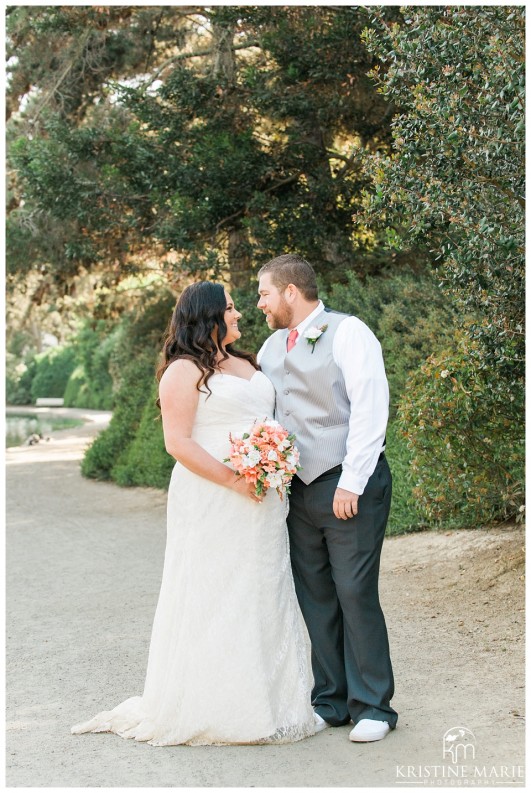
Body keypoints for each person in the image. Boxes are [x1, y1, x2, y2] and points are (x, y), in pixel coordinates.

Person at [71, 281, 315, 746]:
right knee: (214, 589)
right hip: (213, 495)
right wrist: (235, 480)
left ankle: (272, 701)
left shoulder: (247, 362)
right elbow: (178, 443)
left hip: (262, 498)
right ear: (207, 316)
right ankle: (218, 706)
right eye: (228, 307)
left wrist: (271, 464)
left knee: (261, 587)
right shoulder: (182, 371)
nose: (238, 312)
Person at [257, 254, 398, 743]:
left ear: (291, 292)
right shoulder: (271, 347)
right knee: (314, 596)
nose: (261, 304)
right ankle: (331, 701)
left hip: (347, 484)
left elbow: (370, 407)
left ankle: (374, 706)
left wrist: (351, 482)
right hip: (297, 491)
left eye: (265, 294)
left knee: (355, 592)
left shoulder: (349, 332)